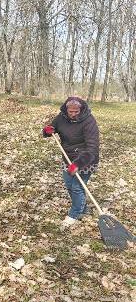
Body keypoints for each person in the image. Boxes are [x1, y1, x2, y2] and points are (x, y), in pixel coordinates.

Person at [42, 97, 99, 227]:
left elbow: (92, 148)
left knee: (77, 187)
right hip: (68, 157)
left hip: (86, 159)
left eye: (76, 112)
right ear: (66, 109)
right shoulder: (62, 117)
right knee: (69, 184)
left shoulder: (89, 121)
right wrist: (48, 130)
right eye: (70, 111)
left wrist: (78, 164)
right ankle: (83, 209)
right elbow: (52, 128)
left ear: (81, 109)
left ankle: (74, 214)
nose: (73, 114)